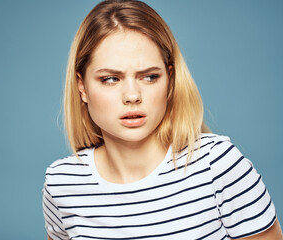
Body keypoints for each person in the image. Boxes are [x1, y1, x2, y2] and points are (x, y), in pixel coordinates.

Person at [42, 0, 283, 239]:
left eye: (149, 77)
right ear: (81, 86)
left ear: (169, 80)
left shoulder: (216, 164)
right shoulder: (62, 183)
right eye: (111, 79)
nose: (132, 96)